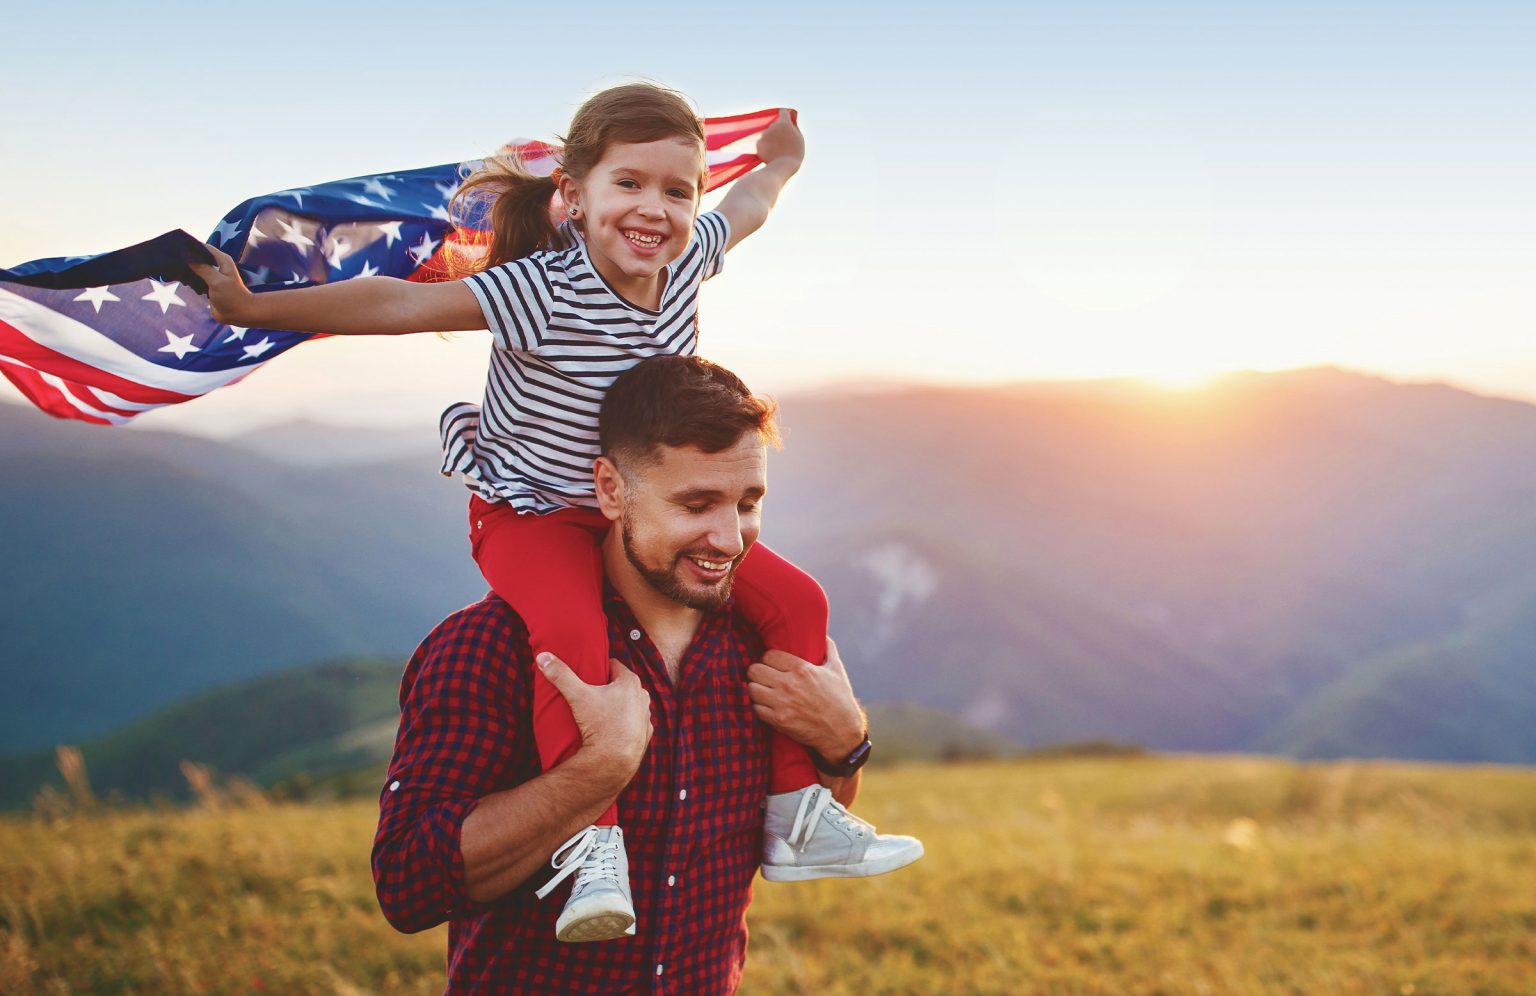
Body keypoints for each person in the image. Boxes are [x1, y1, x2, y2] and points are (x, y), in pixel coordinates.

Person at [192, 82, 920, 942]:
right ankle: (590, 843)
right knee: (575, 644)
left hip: (638, 516)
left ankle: (796, 811)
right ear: (573, 198)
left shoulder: (689, 260)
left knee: (800, 602)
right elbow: (399, 305)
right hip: (531, 513)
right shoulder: (540, 288)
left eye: (678, 190)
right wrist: (252, 310)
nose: (656, 207)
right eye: (630, 184)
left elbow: (751, 204)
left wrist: (783, 164)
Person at [372, 355, 920, 992]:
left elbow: (800, 816)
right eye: (696, 505)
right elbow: (408, 887)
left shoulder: (762, 646)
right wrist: (596, 772)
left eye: (747, 503)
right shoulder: (489, 646)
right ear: (611, 491)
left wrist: (844, 742)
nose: (730, 538)